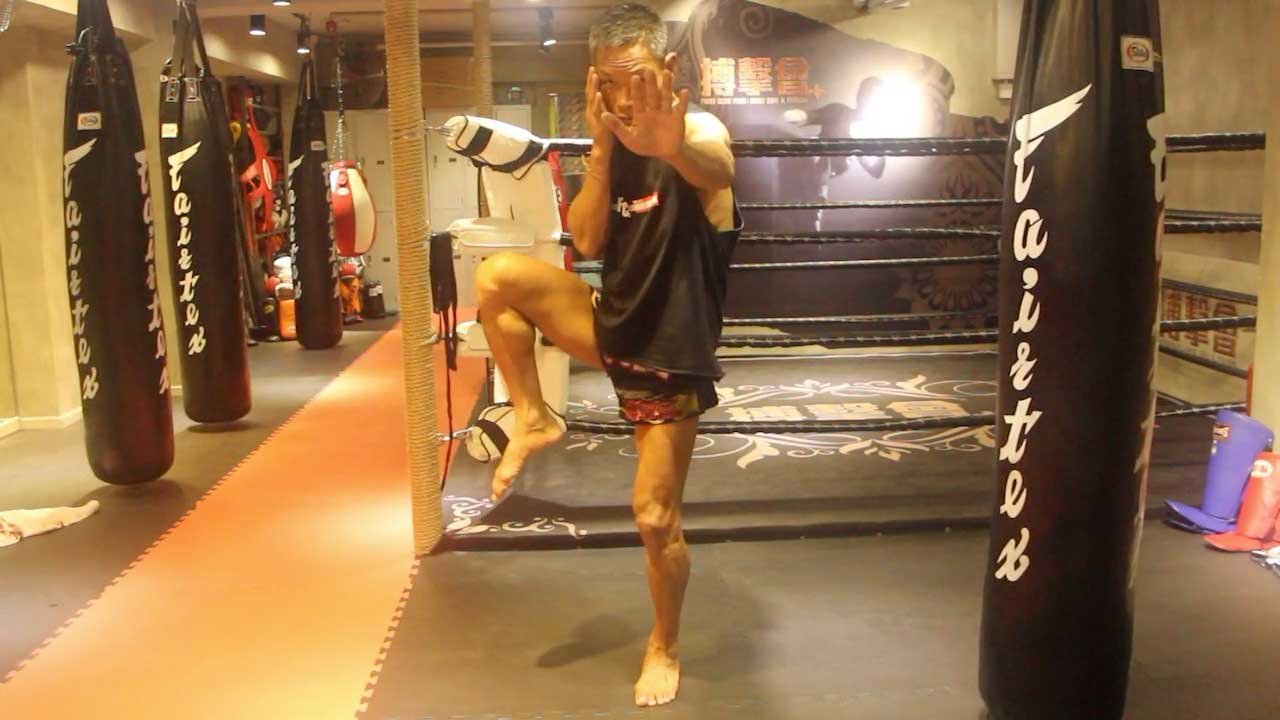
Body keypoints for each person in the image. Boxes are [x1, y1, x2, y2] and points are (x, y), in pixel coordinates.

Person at [472, 3, 738, 707]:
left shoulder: (697, 130)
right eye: (609, 83)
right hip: (609, 327)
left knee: (654, 518)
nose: (624, 96)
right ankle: (534, 416)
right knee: (497, 278)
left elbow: (717, 169)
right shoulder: (610, 146)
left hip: (669, 357)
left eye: (637, 77)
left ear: (668, 69)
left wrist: (669, 144)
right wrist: (601, 150)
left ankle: (664, 644)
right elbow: (588, 242)